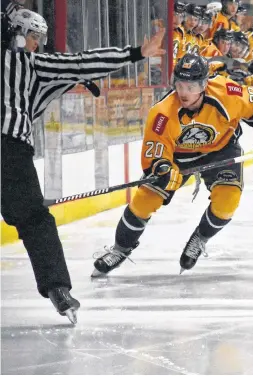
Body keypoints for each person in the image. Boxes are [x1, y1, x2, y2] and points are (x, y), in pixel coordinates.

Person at [1, 6, 166, 323]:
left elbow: (74, 69)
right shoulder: (29, 63)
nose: (36, 44)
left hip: (11, 150)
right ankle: (57, 289)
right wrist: (135, 53)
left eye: (39, 38)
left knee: (34, 221)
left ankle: (58, 290)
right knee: (36, 222)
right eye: (31, 37)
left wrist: (80, 77)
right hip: (10, 149)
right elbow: (80, 62)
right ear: (16, 34)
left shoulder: (29, 63)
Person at [91, 54, 253, 276]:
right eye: (180, 84)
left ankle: (200, 238)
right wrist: (161, 168)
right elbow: (155, 151)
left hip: (221, 151)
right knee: (145, 200)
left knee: (227, 201)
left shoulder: (226, 92)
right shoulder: (162, 113)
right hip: (178, 158)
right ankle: (120, 249)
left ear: (203, 84)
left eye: (191, 86)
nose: (184, 92)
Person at [172, 1, 187, 67]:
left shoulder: (181, 32)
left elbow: (180, 56)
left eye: (181, 16)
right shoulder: (156, 27)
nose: (178, 20)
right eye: (174, 14)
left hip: (171, 71)